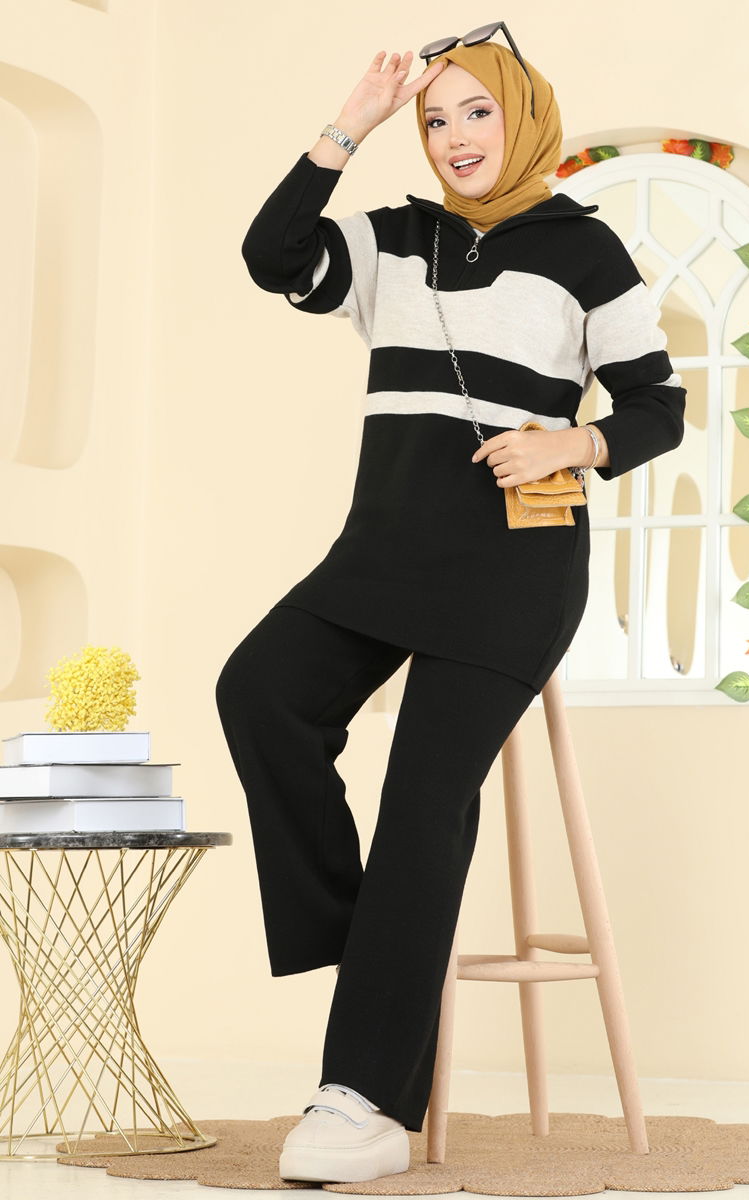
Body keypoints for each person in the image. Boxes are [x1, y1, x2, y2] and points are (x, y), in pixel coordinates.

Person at [215, 36, 686, 1185]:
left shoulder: (582, 249)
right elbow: (272, 255)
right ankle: (376, 934)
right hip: (381, 558)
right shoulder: (392, 239)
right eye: (435, 120)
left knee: (422, 807)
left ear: (521, 116)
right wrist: (352, 120)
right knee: (259, 692)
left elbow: (657, 405)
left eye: (476, 112)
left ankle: (363, 1103)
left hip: (514, 571)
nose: (455, 137)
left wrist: (569, 444)